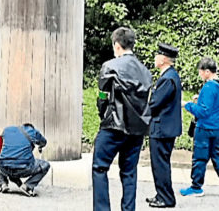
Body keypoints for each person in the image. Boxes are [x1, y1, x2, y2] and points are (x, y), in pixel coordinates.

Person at [92, 27, 152, 211]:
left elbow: (103, 97)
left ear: (117, 46)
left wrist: (103, 114)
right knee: (129, 173)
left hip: (113, 125)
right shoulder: (145, 71)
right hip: (137, 129)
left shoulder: (110, 67)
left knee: (99, 167)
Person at [146, 43, 181, 208]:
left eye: (157, 55)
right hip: (164, 128)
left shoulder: (167, 79)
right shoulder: (170, 76)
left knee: (160, 164)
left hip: (162, 128)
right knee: (160, 163)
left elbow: (155, 103)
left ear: (164, 59)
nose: (155, 58)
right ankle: (162, 194)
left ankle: (166, 198)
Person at [180, 57, 219, 196]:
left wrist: (187, 105)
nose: (200, 74)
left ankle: (196, 187)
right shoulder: (217, 85)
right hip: (217, 127)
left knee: (200, 158)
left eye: (201, 72)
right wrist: (200, 99)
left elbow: (203, 111)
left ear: (207, 71)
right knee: (217, 158)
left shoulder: (208, 87)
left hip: (204, 128)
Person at [0, 123, 50, 197]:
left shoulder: (7, 130)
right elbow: (43, 142)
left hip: (5, 168)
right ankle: (27, 186)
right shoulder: (32, 131)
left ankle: (3, 184)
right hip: (24, 169)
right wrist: (40, 146)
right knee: (45, 165)